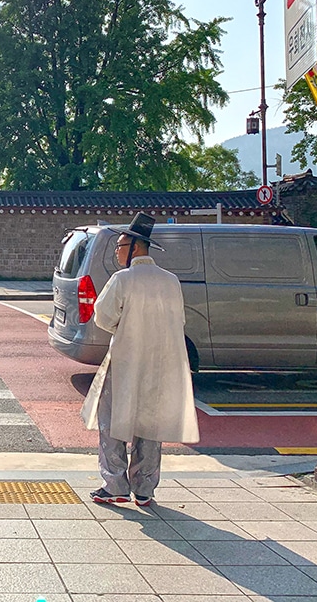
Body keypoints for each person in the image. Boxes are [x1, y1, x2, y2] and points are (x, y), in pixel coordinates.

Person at [80, 212, 198, 506]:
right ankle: (144, 488)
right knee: (150, 424)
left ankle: (115, 483)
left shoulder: (123, 279)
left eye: (120, 246)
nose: (118, 252)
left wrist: (125, 326)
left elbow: (104, 316)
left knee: (112, 422)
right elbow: (179, 320)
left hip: (125, 359)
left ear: (134, 247)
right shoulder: (171, 281)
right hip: (160, 362)